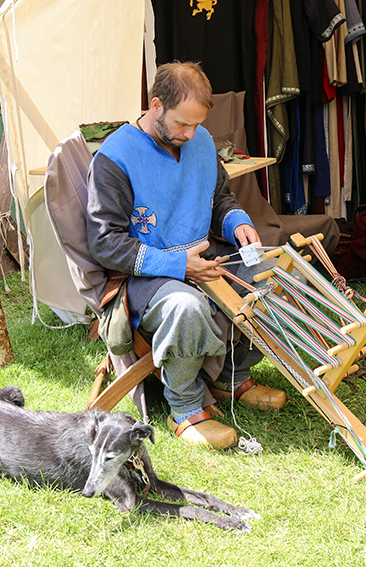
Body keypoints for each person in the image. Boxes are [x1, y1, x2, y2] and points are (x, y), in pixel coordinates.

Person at [86, 61, 286, 450]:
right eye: (183, 124)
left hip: (203, 257)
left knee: (271, 274)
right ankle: (187, 408)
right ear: (156, 105)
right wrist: (178, 266)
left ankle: (232, 377)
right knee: (187, 306)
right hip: (143, 275)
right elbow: (106, 243)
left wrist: (236, 222)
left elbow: (220, 198)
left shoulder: (200, 141)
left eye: (197, 125)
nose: (190, 134)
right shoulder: (114, 159)